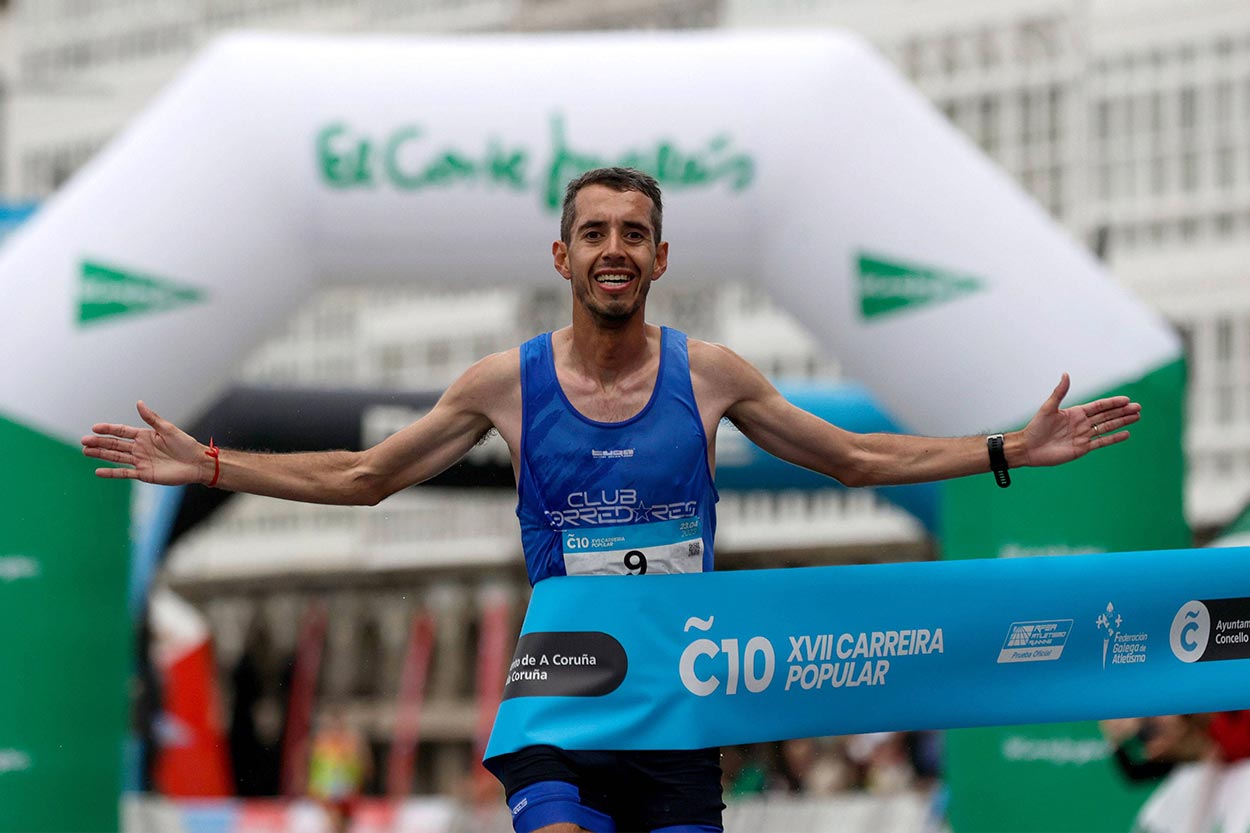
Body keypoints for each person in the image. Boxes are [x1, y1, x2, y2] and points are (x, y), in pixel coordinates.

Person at [83, 167, 1142, 833]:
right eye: (594, 233)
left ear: (659, 257)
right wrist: (211, 464)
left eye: (633, 233)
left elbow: (855, 457)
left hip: (679, 698)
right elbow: (363, 478)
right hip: (563, 690)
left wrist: (1009, 446)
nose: (614, 250)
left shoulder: (711, 375)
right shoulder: (503, 385)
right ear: (563, 255)